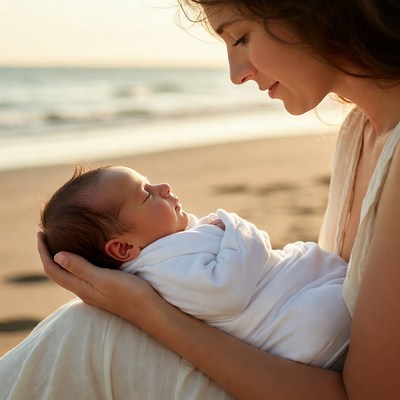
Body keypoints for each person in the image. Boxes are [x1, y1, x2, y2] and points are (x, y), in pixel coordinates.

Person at [1, 0, 399, 398]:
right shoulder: (358, 132)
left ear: (318, 12)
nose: (236, 74)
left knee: (83, 334)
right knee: (84, 330)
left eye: (241, 37)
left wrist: (144, 310)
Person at [40, 164, 350, 369]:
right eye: (146, 195)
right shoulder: (162, 270)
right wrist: (235, 227)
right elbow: (225, 289)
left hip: (303, 309)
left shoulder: (168, 252)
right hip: (309, 331)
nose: (163, 187)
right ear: (123, 248)